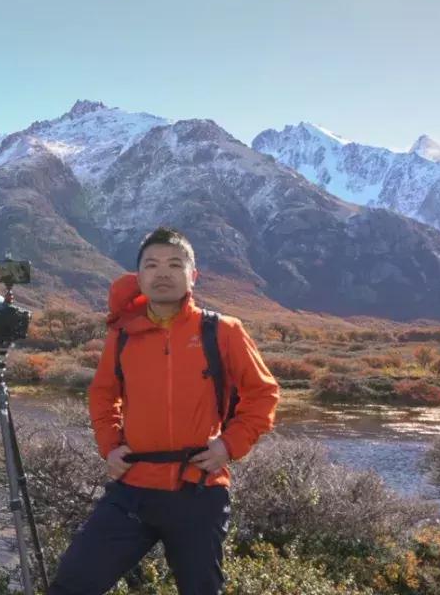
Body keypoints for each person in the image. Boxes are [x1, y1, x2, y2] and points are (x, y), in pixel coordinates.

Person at [48, 227, 280, 595]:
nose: (163, 273)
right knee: (73, 584)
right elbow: (103, 394)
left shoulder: (222, 331)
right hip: (133, 489)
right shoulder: (123, 335)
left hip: (199, 491)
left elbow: (263, 393)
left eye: (175, 264)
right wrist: (109, 446)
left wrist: (229, 446)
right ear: (138, 277)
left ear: (193, 275)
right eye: (151, 264)